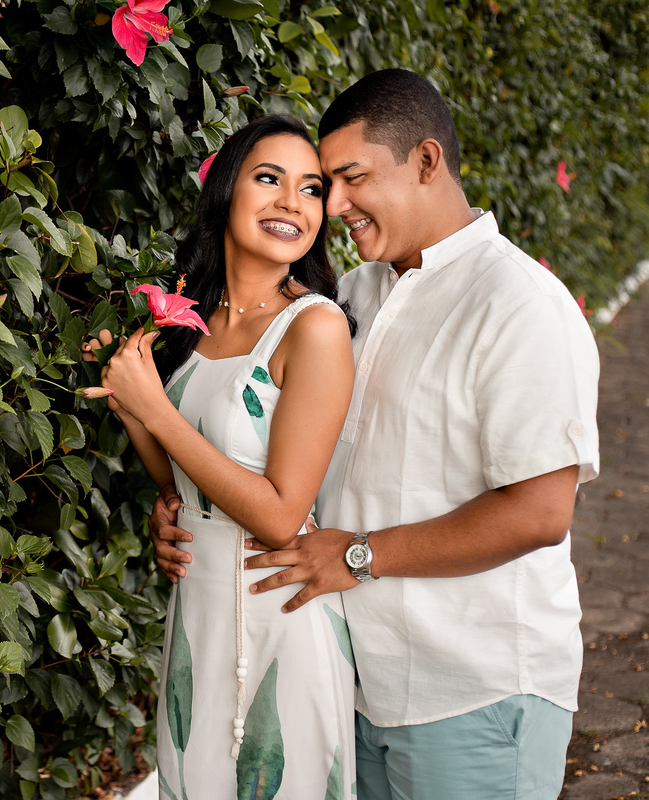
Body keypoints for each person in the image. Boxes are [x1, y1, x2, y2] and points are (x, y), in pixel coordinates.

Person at [151, 69, 600, 799]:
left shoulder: (520, 306)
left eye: (351, 178)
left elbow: (540, 512)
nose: (335, 204)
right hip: (356, 679)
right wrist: (182, 507)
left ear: (426, 161)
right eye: (327, 183)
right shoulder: (351, 294)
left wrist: (357, 555)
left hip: (475, 689)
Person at [83, 114, 358, 799]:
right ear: (227, 191)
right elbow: (181, 482)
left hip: (278, 622)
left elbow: (279, 512)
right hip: (196, 621)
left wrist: (156, 414)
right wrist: (131, 402)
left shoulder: (315, 327)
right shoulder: (196, 321)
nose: (292, 202)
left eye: (311, 188)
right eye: (269, 179)